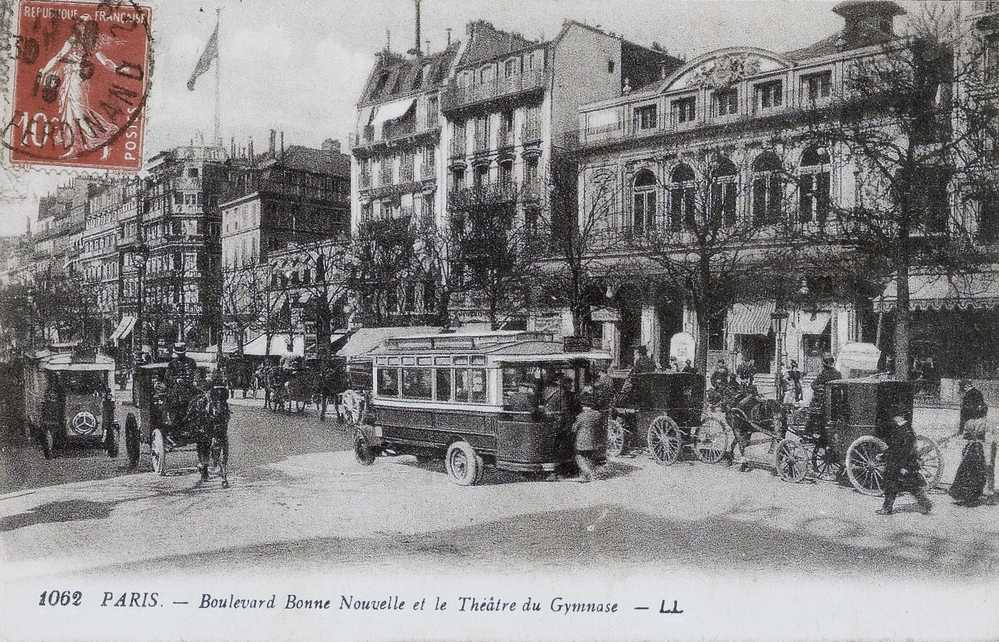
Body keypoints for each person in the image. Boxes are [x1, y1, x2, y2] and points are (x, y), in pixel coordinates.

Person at [877, 402, 933, 515]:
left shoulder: (905, 432)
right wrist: (883, 456)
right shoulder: (904, 429)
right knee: (904, 486)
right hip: (899, 463)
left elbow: (905, 451)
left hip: (900, 464)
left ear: (898, 417)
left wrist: (902, 466)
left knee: (903, 486)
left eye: (894, 417)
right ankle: (925, 503)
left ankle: (925, 503)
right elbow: (894, 448)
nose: (893, 419)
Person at [948, 414, 991, 506]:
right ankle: (973, 496)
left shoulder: (969, 422)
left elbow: (965, 436)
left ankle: (964, 495)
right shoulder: (984, 423)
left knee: (965, 470)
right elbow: (986, 438)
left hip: (970, 448)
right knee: (978, 471)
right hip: (978, 448)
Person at [570, 389, 603, 483]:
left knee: (578, 457)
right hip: (594, 441)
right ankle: (589, 474)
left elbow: (574, 429)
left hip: (582, 442)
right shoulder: (598, 415)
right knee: (589, 458)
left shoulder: (580, 416)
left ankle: (587, 473)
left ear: (584, 406)